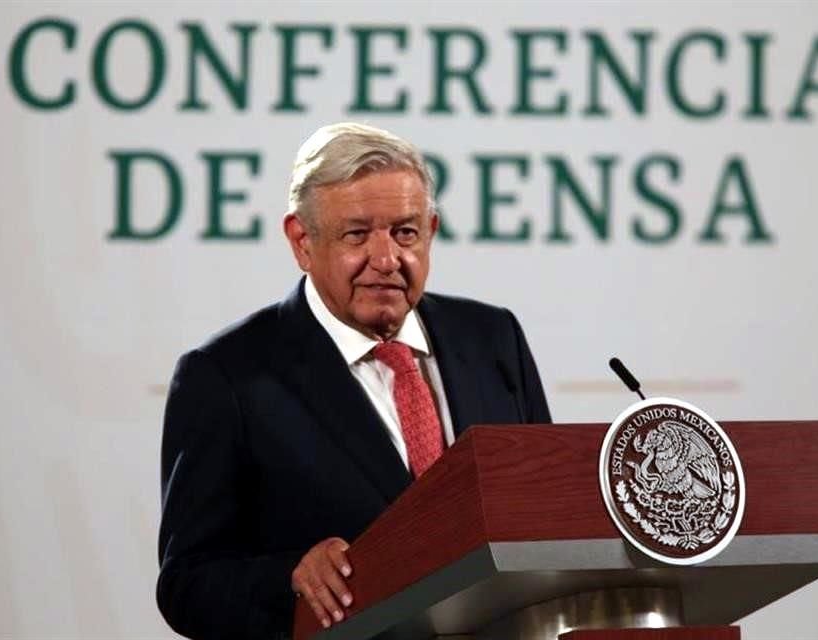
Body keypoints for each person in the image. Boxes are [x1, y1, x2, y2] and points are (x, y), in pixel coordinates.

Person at [156, 123, 551, 639]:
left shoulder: (493, 339)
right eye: (357, 234)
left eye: (405, 232)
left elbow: (542, 516)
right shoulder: (227, 377)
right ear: (302, 241)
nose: (386, 260)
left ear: (430, 230)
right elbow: (187, 582)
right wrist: (289, 575)